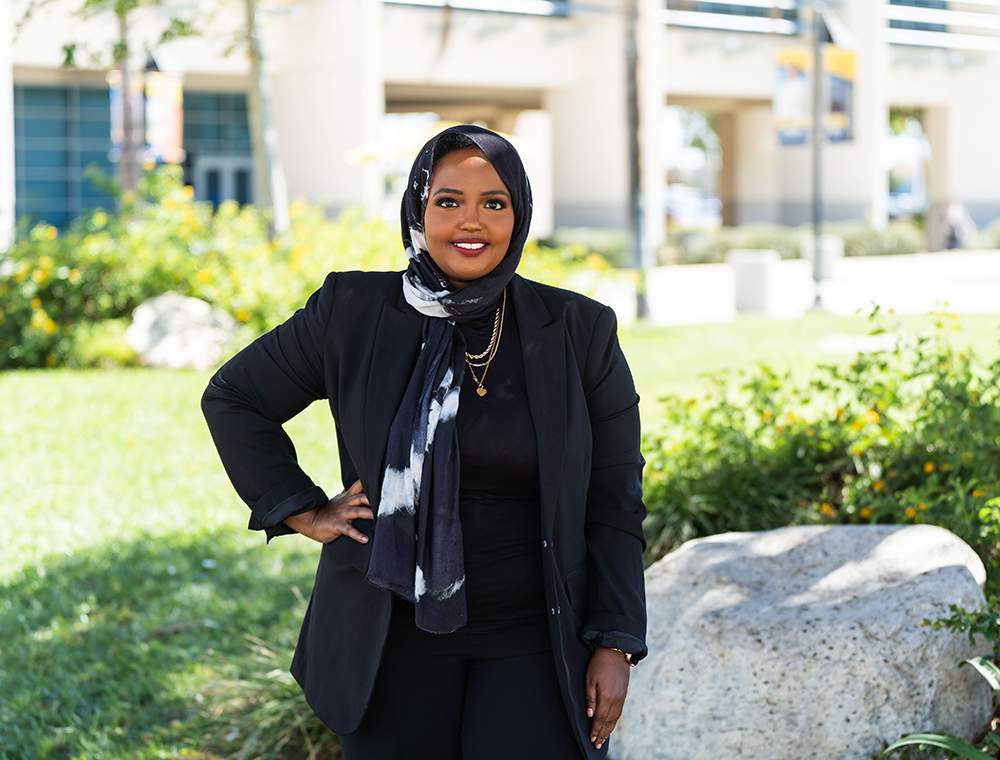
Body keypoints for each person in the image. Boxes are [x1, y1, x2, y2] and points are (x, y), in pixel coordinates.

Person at [202, 124, 647, 760]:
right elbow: (235, 398)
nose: (472, 222)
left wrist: (616, 639)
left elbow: (615, 496)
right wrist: (301, 508)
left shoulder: (578, 329)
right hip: (390, 635)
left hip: (536, 638)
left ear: (518, 216)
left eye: (495, 203)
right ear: (418, 209)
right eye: (448, 201)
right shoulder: (353, 311)